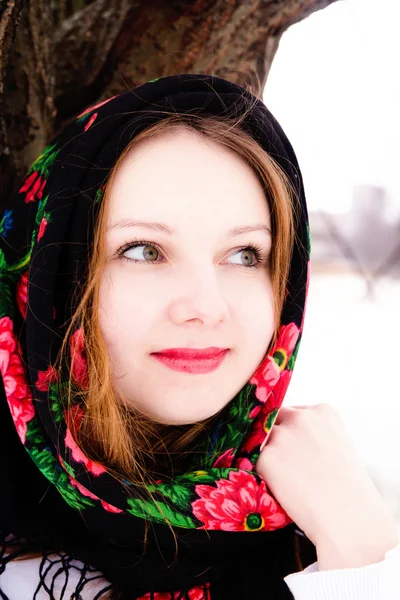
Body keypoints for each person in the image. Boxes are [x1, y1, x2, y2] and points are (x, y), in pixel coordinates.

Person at [0, 73, 398, 599]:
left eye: (244, 255)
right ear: (49, 277)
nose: (207, 308)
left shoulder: (345, 498)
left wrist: (365, 557)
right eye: (143, 250)